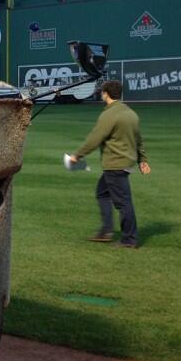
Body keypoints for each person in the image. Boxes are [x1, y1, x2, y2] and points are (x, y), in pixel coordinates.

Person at [71, 80, 150, 248]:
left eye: (102, 92)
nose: (101, 94)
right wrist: (142, 160)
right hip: (126, 163)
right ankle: (106, 231)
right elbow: (139, 140)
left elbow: (95, 138)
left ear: (106, 93)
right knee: (102, 193)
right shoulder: (131, 113)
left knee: (123, 202)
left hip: (115, 164)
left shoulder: (109, 114)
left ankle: (129, 239)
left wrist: (77, 155)